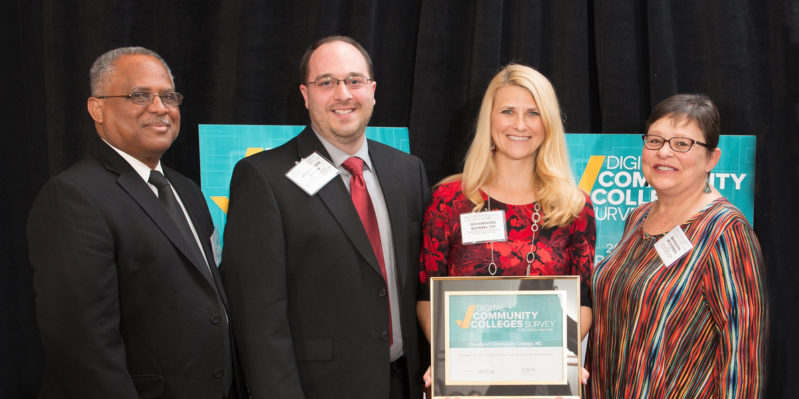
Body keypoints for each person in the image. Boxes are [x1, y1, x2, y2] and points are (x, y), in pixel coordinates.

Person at [221, 35, 430, 398]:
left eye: (354, 80)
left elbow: (423, 282)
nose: (343, 94)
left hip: (407, 383)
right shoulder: (264, 177)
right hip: (320, 389)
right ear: (305, 94)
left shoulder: (408, 171)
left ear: (373, 90)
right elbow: (258, 316)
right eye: (326, 83)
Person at [27, 47, 241, 398]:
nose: (159, 108)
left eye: (168, 96)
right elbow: (83, 347)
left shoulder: (187, 190)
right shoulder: (73, 196)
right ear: (97, 108)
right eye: (139, 95)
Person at [416, 64, 596, 389]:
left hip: (543, 382)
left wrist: (555, 356)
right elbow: (427, 296)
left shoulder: (574, 207)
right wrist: (450, 356)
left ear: (548, 123)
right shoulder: (448, 200)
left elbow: (583, 302)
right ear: (489, 119)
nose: (520, 124)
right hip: (468, 383)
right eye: (508, 111)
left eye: (533, 113)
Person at [588, 94, 767, 397]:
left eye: (682, 143)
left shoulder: (726, 230)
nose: (664, 153)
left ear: (712, 158)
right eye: (655, 140)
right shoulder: (637, 217)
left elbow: (743, 354)